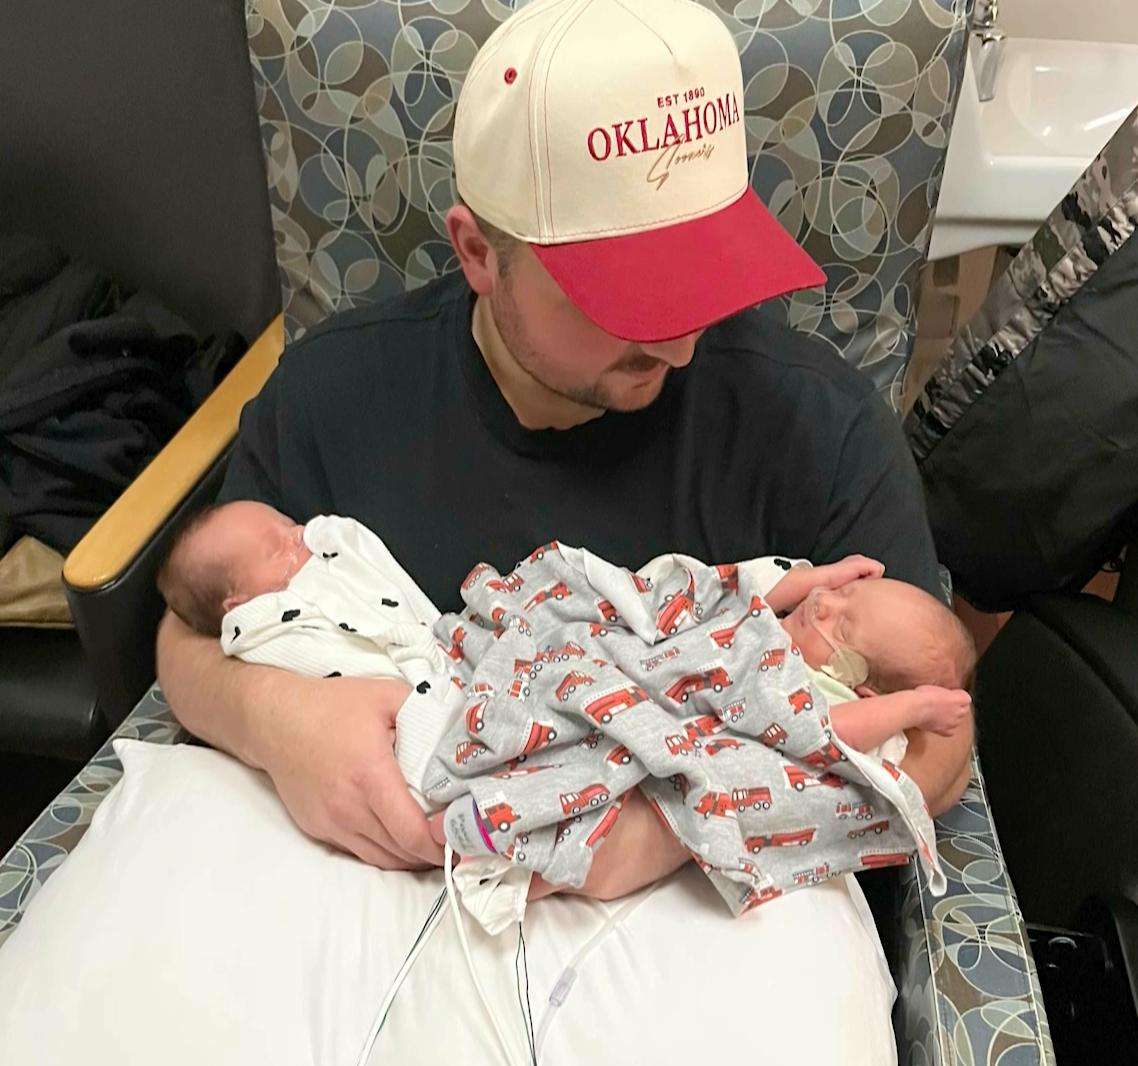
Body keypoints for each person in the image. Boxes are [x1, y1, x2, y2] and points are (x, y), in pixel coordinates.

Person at [156, 0, 972, 906]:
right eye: (625, 294)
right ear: (479, 253)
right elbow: (188, 636)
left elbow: (944, 739)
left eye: (701, 274)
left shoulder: (820, 425)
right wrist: (278, 718)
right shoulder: (332, 397)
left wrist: (674, 827)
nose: (678, 345)